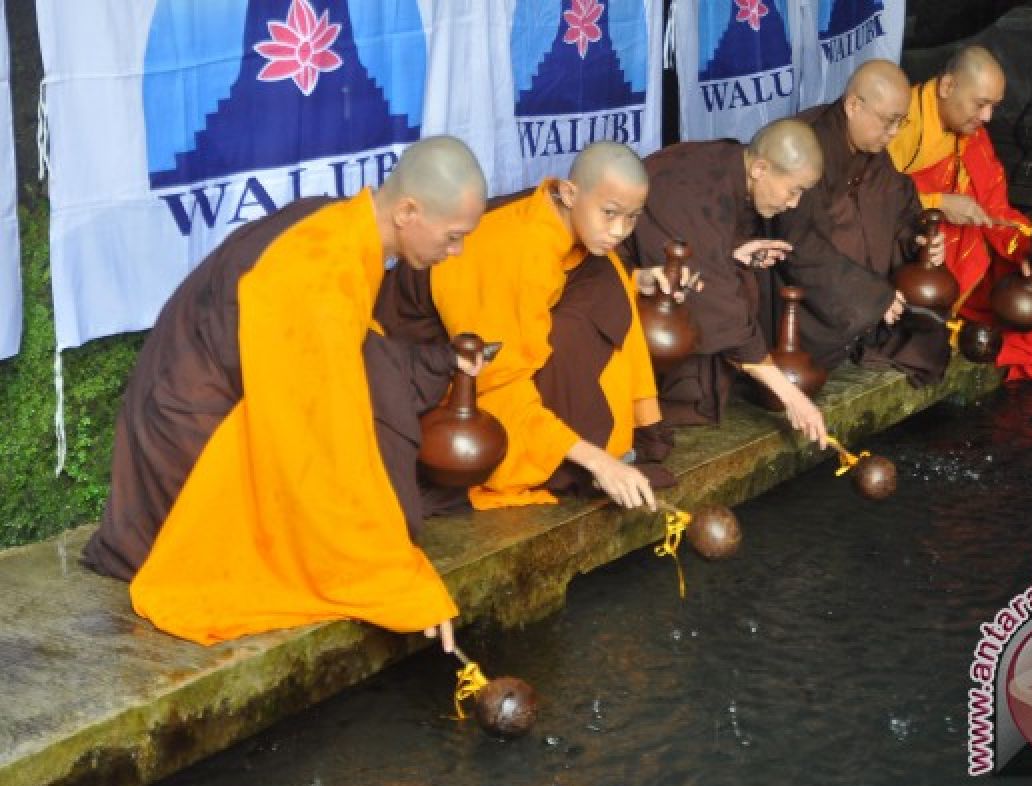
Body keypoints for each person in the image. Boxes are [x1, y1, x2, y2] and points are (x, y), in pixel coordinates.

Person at [82, 136, 488, 650]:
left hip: (207, 395)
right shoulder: (320, 265)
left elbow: (351, 358)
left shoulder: (342, 228)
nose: (456, 253)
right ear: (408, 211)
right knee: (275, 554)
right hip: (188, 433)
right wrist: (395, 580)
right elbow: (317, 445)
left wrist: (436, 361)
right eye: (453, 237)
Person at [429, 141, 673, 512]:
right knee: (569, 337)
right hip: (447, 358)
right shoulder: (525, 254)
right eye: (609, 213)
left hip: (522, 318)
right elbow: (500, 379)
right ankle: (573, 456)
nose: (620, 230)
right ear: (570, 193)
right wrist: (596, 460)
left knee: (610, 278)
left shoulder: (564, 219)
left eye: (632, 217)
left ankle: (622, 435)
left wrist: (637, 279)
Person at [618, 119, 828, 445]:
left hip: (663, 264)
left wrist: (732, 252)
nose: (794, 203)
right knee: (715, 298)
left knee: (738, 278)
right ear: (759, 168)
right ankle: (661, 404)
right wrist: (792, 397)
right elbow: (721, 305)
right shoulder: (693, 189)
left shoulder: (729, 162)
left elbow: (704, 239)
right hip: (618, 277)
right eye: (793, 190)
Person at [773, 59, 950, 386]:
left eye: (901, 122)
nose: (894, 133)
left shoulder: (874, 152)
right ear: (854, 105)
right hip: (812, 297)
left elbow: (899, 208)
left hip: (867, 291)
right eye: (888, 121)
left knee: (929, 332)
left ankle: (869, 328)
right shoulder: (807, 145)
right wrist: (869, 297)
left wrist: (917, 240)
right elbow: (798, 244)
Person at [887, 45, 1032, 381]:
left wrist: (1029, 250)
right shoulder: (898, 124)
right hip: (908, 254)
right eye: (981, 105)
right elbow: (868, 202)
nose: (989, 117)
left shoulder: (972, 133)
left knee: (1024, 283)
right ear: (947, 86)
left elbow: (994, 208)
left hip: (962, 259)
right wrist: (938, 203)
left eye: (994, 106)